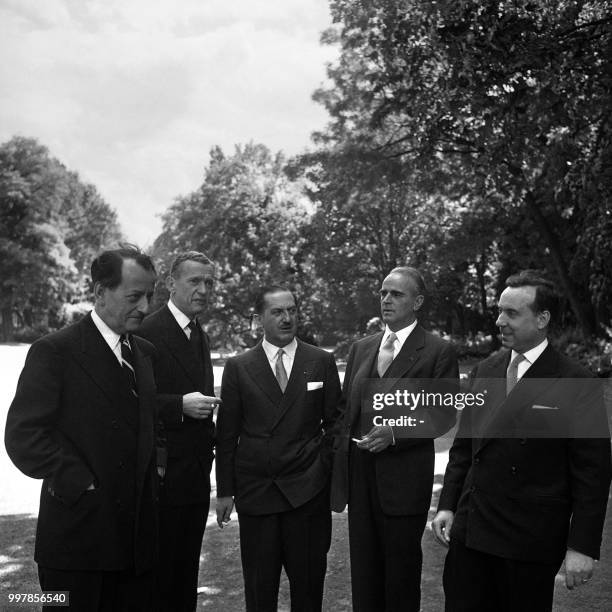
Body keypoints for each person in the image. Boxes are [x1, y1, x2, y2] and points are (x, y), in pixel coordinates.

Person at [432, 270, 612, 612]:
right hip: (471, 533)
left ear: (542, 318)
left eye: (512, 313)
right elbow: (463, 449)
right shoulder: (485, 370)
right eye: (500, 311)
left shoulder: (576, 380)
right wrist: (447, 505)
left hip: (530, 541)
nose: (500, 321)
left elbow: (593, 472)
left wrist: (582, 547)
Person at [4, 247, 159, 611]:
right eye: (134, 296)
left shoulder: (145, 353)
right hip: (78, 541)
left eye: (149, 296)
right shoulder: (54, 351)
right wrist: (78, 480)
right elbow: (23, 436)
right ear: (99, 292)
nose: (145, 307)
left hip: (136, 545)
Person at [331, 266, 459, 612]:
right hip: (360, 481)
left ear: (417, 301)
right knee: (364, 577)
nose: (386, 299)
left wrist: (395, 432)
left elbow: (444, 413)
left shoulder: (437, 351)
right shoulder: (362, 348)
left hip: (404, 484)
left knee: (400, 580)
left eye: (397, 294)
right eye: (384, 292)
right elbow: (346, 412)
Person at [215, 285, 341, 612]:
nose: (287, 318)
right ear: (259, 320)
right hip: (258, 494)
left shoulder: (321, 361)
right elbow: (226, 434)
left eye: (292, 310)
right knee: (260, 591)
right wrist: (226, 491)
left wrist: (323, 470)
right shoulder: (239, 367)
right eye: (277, 312)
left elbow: (336, 425)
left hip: (308, 494)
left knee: (309, 589)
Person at [138, 251, 219, 611]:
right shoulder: (146, 331)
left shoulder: (199, 334)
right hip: (161, 478)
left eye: (209, 282)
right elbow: (128, 403)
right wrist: (178, 406)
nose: (203, 289)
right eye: (194, 281)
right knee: (160, 577)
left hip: (195, 477)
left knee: (186, 572)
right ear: (171, 284)